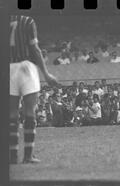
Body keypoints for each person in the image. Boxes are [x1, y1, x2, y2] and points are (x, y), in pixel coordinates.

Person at [9, 15, 58, 164]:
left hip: (8, 67)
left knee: (11, 114)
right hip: (26, 67)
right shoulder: (27, 21)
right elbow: (35, 49)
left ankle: (12, 157)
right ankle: (28, 156)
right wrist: (46, 74)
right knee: (29, 112)